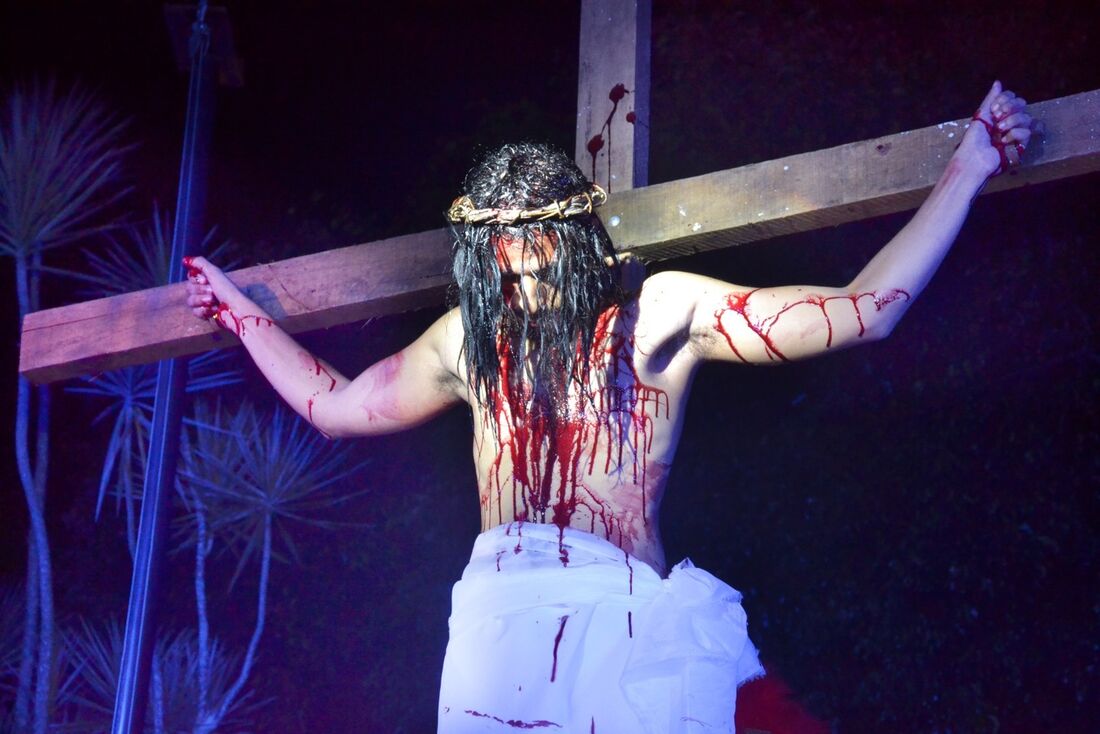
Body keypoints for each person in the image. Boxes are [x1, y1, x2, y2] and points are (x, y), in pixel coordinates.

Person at [184, 82, 1033, 733]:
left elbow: (863, 310)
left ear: (578, 244)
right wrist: (239, 314)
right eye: (506, 277)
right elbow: (337, 405)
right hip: (500, 637)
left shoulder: (655, 317)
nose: (524, 292)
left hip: (620, 623)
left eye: (540, 267)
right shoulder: (469, 344)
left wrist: (970, 164)